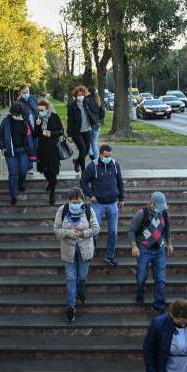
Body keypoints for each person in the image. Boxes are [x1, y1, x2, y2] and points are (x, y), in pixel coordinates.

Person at [53, 187, 100, 324]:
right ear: (69, 201)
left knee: (83, 276)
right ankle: (71, 308)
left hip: (85, 251)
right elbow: (56, 230)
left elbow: (96, 228)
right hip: (69, 252)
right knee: (71, 278)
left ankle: (80, 292)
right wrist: (69, 233)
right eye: (73, 202)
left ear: (82, 200)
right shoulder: (63, 211)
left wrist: (83, 233)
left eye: (78, 202)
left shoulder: (88, 210)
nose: (76, 204)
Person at [80, 144, 124, 267]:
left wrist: (121, 198)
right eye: (106, 156)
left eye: (110, 156)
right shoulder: (92, 167)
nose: (108, 158)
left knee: (113, 233)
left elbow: (119, 182)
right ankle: (91, 251)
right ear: (100, 154)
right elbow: (83, 181)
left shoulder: (115, 165)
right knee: (95, 231)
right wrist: (90, 195)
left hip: (113, 204)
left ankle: (109, 256)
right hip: (98, 204)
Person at [129, 191, 172, 311]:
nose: (161, 209)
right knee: (141, 276)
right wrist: (134, 246)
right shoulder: (141, 214)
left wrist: (169, 243)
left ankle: (159, 303)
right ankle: (140, 293)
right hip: (144, 249)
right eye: (159, 206)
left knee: (161, 278)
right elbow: (131, 230)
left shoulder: (164, 212)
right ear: (152, 204)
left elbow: (168, 227)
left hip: (159, 250)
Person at [0, 102, 35, 205]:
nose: (15, 116)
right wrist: (3, 146)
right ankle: (14, 195)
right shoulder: (6, 121)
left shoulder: (26, 121)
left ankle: (21, 183)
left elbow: (31, 135)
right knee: (13, 173)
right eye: (14, 114)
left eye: (17, 114)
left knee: (22, 171)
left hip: (23, 151)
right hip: (10, 152)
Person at [32, 99, 64, 205]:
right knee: (44, 170)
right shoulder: (38, 119)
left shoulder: (54, 117)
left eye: (42, 110)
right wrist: (37, 125)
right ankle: (50, 182)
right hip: (42, 149)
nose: (40, 112)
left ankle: (52, 193)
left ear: (47, 109)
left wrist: (51, 133)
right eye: (39, 110)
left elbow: (61, 131)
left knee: (53, 170)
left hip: (53, 148)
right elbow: (34, 134)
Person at [67, 86, 94, 173]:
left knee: (86, 150)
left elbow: (95, 112)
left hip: (87, 130)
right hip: (76, 132)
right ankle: (83, 170)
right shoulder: (72, 107)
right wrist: (69, 134)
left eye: (82, 95)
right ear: (75, 96)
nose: (81, 97)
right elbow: (70, 121)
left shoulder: (88, 104)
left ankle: (77, 161)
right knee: (82, 149)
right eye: (79, 95)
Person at [15, 84, 39, 171]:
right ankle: (29, 167)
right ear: (20, 93)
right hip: (26, 127)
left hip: (36, 125)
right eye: (24, 92)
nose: (26, 94)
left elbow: (37, 110)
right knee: (29, 145)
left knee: (35, 145)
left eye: (27, 92)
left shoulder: (33, 99)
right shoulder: (18, 103)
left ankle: (32, 164)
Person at [85, 87, 105, 161]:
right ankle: (97, 160)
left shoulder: (87, 100)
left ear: (89, 92)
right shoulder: (98, 100)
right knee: (94, 143)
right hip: (97, 125)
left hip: (90, 124)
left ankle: (92, 156)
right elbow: (102, 114)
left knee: (87, 142)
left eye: (87, 91)